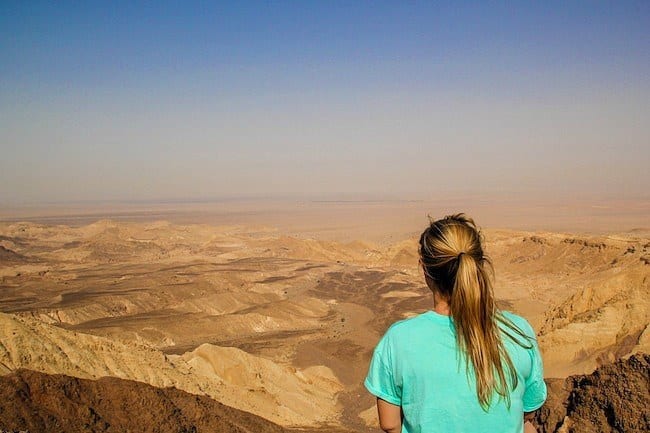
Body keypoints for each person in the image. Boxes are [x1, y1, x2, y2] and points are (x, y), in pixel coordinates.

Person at [364, 214, 546, 433]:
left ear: (425, 270)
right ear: (479, 265)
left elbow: (390, 424)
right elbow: (527, 412)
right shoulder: (518, 331)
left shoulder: (398, 340)